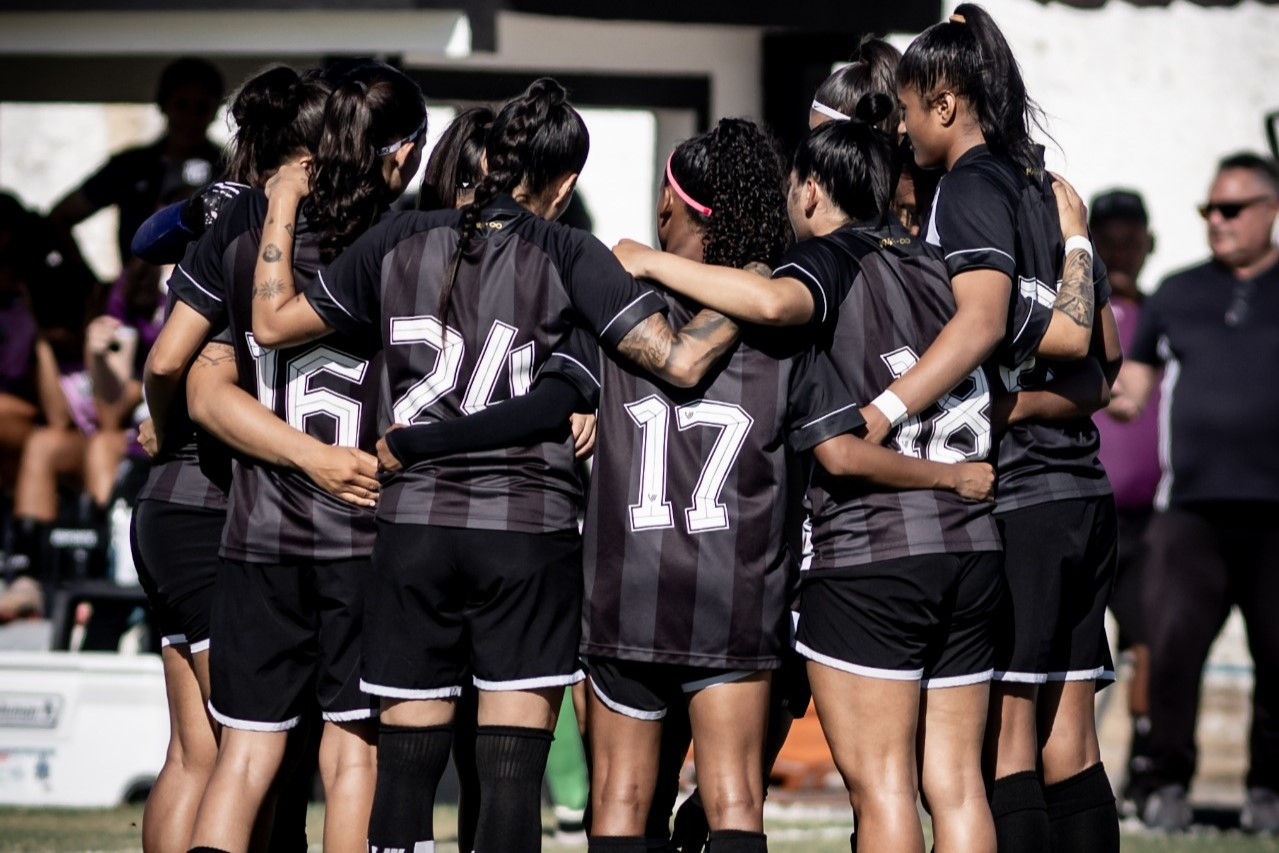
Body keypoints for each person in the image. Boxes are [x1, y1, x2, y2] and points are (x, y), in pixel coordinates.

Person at [250, 76, 743, 852]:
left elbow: (274, 322)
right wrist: (762, 288)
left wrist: (278, 206)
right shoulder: (570, 252)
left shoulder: (398, 239)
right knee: (510, 775)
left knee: (406, 771)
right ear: (566, 181)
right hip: (525, 531)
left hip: (411, 529)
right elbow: (677, 362)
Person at [167, 62, 425, 853]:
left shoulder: (244, 241)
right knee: (352, 753)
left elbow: (193, 383)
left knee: (242, 753)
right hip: (360, 532)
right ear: (403, 154)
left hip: (255, 537)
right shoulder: (407, 246)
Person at [1111, 152, 1279, 834]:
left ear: (1270, 211)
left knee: (1277, 655)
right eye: (1208, 209)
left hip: (1274, 515)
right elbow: (1125, 394)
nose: (1216, 220)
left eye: (1232, 209)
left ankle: (1268, 788)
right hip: (1188, 517)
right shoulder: (1177, 294)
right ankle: (1164, 783)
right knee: (1170, 649)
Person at [1086, 188, 1161, 813]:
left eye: (1129, 236)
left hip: (1147, 519)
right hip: (1085, 509)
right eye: (1106, 236)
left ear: (1148, 242)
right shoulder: (1078, 312)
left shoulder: (1164, 316)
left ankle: (1145, 756)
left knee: (1151, 640)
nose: (1119, 247)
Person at [50, 57, 224, 270]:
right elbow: (60, 216)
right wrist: (94, 287)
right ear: (163, 105)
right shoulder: (131, 167)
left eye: (201, 108)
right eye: (181, 105)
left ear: (215, 111)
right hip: (139, 296)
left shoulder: (230, 168)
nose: (190, 118)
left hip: (212, 299)